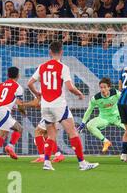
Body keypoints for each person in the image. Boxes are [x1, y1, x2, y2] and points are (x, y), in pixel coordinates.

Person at [27, 41, 99, 171]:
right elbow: (70, 87)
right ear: (62, 52)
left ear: (50, 52)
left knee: (51, 135)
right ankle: (82, 164)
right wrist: (80, 93)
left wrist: (37, 94)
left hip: (45, 106)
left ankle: (47, 163)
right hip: (58, 104)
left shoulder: (42, 66)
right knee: (73, 133)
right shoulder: (63, 67)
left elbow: (29, 83)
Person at [0, 67, 39, 162]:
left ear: (7, 75)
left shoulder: (1, 85)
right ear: (18, 75)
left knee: (18, 129)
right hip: (3, 112)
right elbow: (19, 104)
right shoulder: (18, 87)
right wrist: (23, 112)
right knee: (2, 135)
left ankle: (9, 147)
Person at [77, 77, 127, 158]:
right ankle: (106, 141)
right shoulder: (95, 98)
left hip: (117, 117)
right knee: (89, 125)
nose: (103, 89)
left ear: (109, 87)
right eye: (101, 87)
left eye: (105, 87)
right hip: (104, 118)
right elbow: (89, 111)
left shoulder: (115, 93)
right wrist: (83, 123)